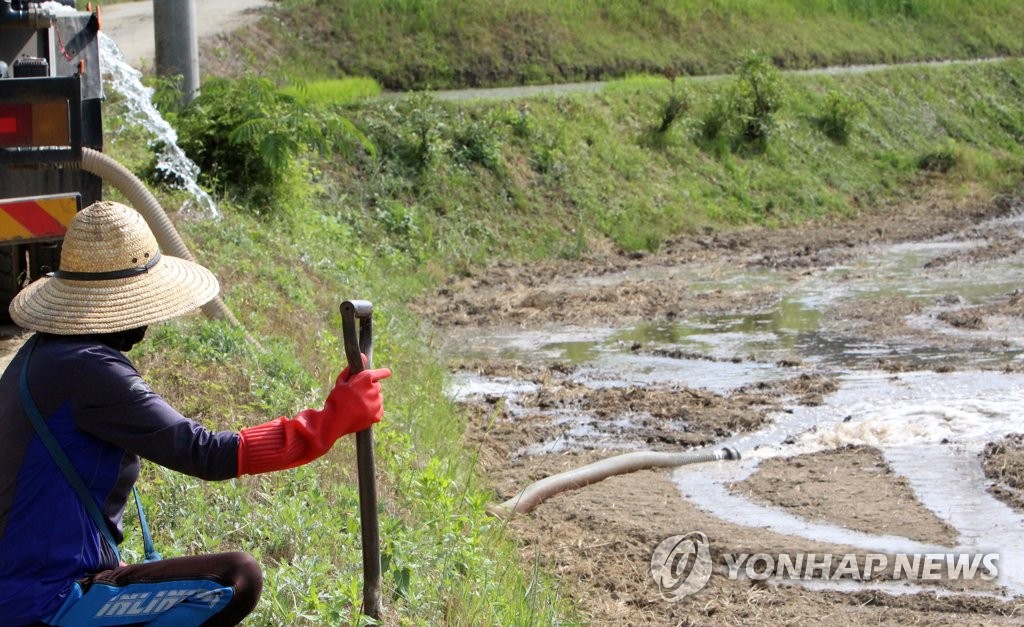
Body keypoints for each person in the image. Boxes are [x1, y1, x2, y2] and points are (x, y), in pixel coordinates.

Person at [0, 201, 392, 626]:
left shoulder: (42, 355)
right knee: (237, 575)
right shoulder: (89, 369)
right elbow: (205, 453)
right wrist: (328, 423)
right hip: (41, 601)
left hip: (21, 585)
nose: (147, 319)